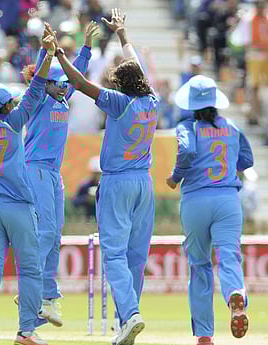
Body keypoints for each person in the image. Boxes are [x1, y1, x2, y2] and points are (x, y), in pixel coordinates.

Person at [46, 8, 158, 345]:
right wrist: (122, 35)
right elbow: (136, 64)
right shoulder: (151, 100)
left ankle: (131, 314)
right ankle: (127, 321)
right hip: (144, 184)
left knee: (114, 254)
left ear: (121, 85)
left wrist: (59, 56)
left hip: (117, 182)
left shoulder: (118, 102)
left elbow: (79, 84)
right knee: (136, 257)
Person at [0, 36, 56, 345]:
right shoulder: (14, 122)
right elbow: (36, 89)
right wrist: (48, 54)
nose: (15, 104)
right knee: (30, 271)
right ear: (7, 106)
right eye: (11, 102)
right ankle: (26, 333)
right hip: (18, 207)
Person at [17, 21, 99, 328]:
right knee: (47, 231)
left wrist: (87, 45)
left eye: (64, 83)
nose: (63, 85)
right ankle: (33, 290)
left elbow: (76, 70)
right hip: (35, 168)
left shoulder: (62, 95)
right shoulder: (37, 99)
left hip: (52, 173)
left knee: (55, 235)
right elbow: (42, 73)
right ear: (44, 82)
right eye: (56, 82)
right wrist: (45, 50)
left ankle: (48, 297)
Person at [166, 75, 254, 345]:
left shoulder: (187, 127)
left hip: (196, 201)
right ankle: (235, 294)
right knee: (229, 257)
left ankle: (204, 335)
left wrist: (176, 176)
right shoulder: (232, 127)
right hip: (228, 200)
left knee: (200, 266)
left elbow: (187, 150)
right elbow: (247, 160)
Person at [73, 155, 101, 221]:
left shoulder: (105, 186)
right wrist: (86, 199)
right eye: (95, 173)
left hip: (103, 220)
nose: (97, 175)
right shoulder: (85, 185)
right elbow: (75, 202)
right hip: (87, 220)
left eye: (99, 173)